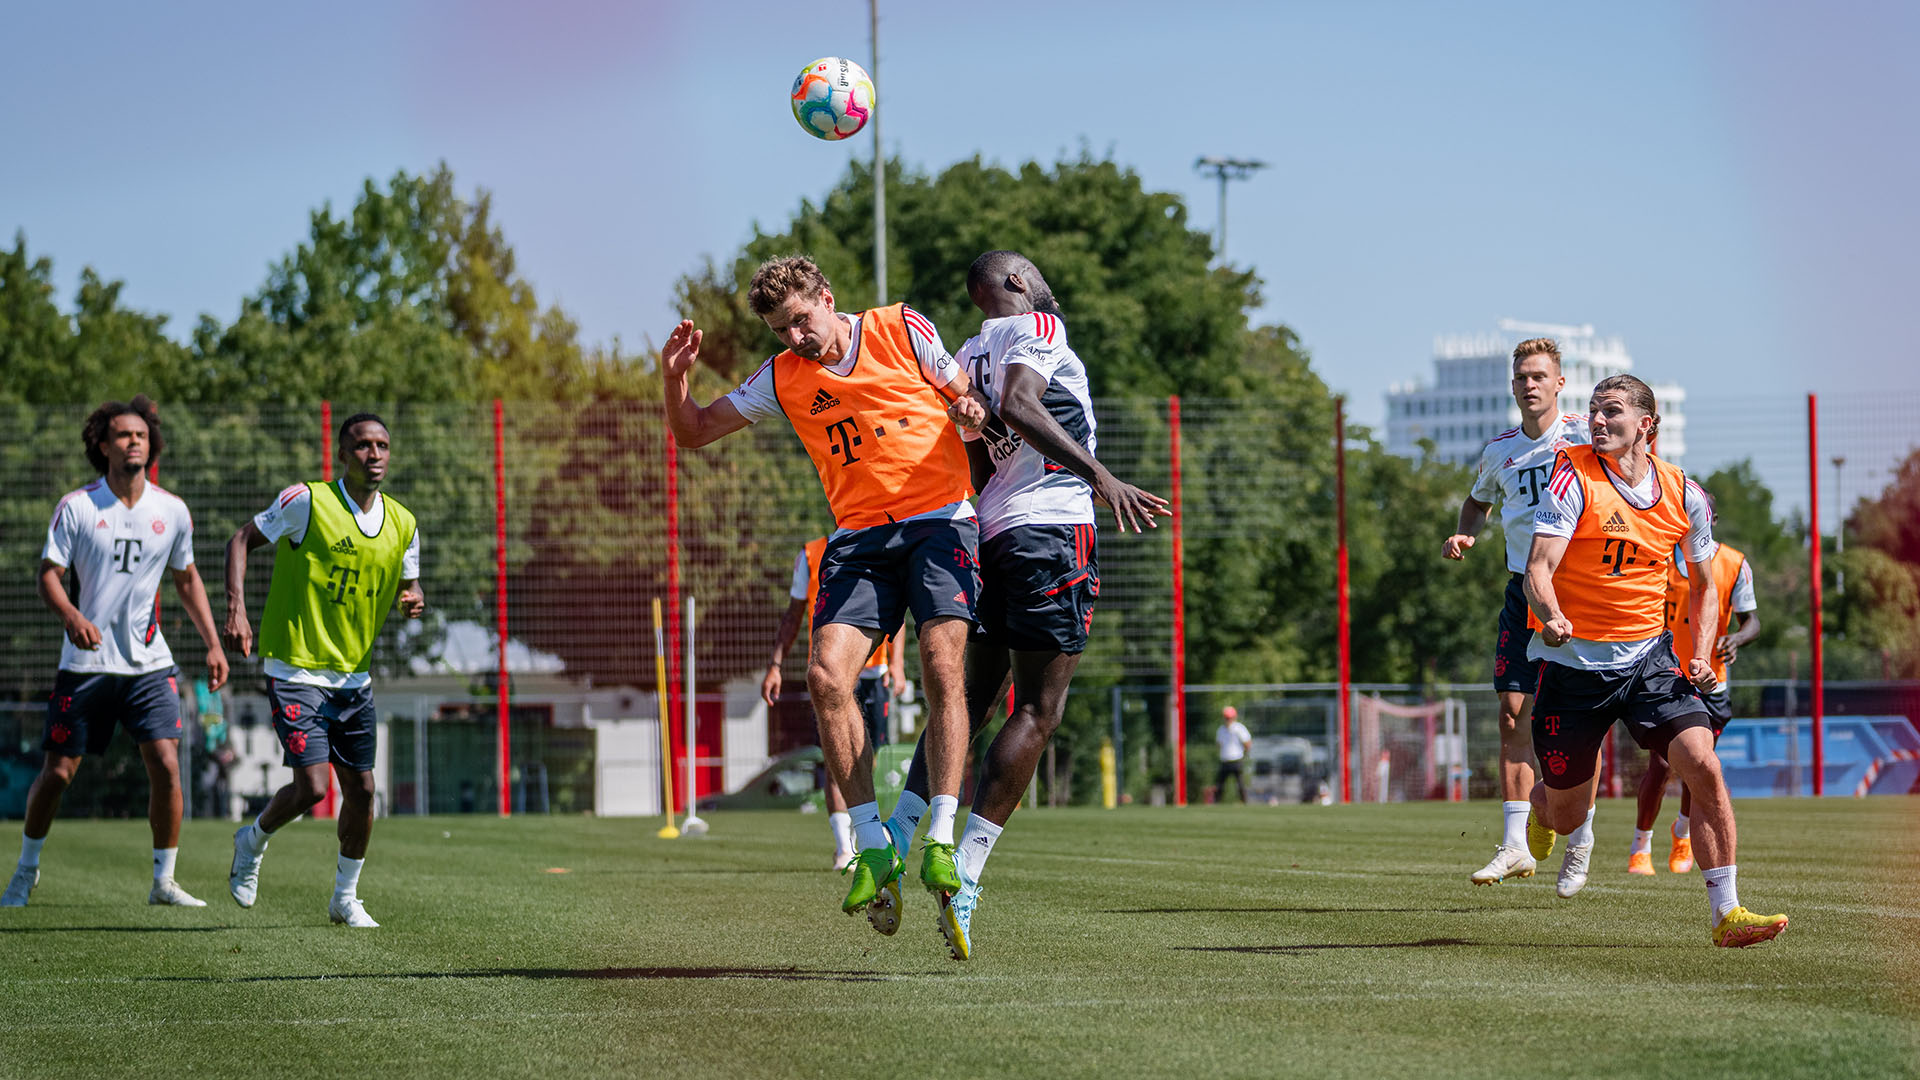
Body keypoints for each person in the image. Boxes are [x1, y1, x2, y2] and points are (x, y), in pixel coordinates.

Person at [662, 256, 978, 930]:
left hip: (940, 520)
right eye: (782, 330)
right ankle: (872, 847)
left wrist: (974, 407)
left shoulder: (902, 328)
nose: (796, 338)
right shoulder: (783, 377)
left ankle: (943, 840)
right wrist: (674, 380)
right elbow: (692, 432)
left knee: (942, 665)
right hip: (860, 538)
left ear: (827, 299)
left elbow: (967, 396)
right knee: (826, 676)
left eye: (802, 320)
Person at [920, 249, 1169, 959]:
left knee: (966, 700)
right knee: (1039, 708)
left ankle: (912, 830)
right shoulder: (1036, 325)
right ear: (1015, 284)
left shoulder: (965, 356)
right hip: (1051, 530)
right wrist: (1100, 474)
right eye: (1033, 271)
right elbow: (1025, 405)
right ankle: (963, 873)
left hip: (992, 533)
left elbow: (974, 451)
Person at [1524, 374, 1786, 946]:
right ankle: (1543, 812)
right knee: (1567, 814)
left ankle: (1727, 912)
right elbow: (1537, 569)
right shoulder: (1571, 476)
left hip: (1649, 661)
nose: (1597, 419)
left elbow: (1705, 583)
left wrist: (1700, 655)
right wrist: (1552, 614)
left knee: (1704, 764)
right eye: (1592, 409)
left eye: (1611, 410)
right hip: (1574, 667)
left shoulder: (1684, 492)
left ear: (1647, 424)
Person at [3, 396, 229, 909]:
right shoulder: (79, 506)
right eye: (124, 435)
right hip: (85, 665)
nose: (134, 441)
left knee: (167, 764)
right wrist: (72, 617)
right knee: (58, 772)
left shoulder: (171, 511)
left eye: (141, 435)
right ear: (103, 445)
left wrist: (213, 642)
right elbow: (48, 576)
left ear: (151, 446)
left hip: (149, 664)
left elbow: (188, 578)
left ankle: (164, 881)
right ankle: (26, 870)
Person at [221, 413, 425, 928]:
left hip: (354, 678)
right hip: (295, 667)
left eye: (382, 445)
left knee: (362, 792)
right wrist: (236, 609)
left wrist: (412, 597)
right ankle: (252, 841)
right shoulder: (307, 501)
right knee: (312, 787)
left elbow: (411, 582)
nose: (374, 454)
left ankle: (345, 897)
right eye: (362, 445)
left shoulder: (404, 523)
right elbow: (241, 539)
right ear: (343, 453)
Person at [1442, 337, 1595, 892]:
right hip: (1522, 593)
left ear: (1559, 383)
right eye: (1521, 377)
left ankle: (1579, 838)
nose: (1529, 385)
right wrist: (1466, 532)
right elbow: (1478, 502)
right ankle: (1513, 846)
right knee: (1512, 713)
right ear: (1512, 387)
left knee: (1581, 723)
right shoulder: (1499, 450)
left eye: (1539, 376)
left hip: (1582, 592)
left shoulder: (1585, 436)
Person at [761, 536, 906, 869]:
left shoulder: (879, 540)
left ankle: (863, 836)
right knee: (835, 756)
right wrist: (775, 666)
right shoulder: (811, 554)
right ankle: (844, 847)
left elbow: (897, 610)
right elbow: (794, 612)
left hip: (874, 670)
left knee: (866, 756)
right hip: (833, 671)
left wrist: (897, 665)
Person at [1630, 506, 1759, 875]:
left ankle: (1683, 834)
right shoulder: (1656, 556)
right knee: (1662, 763)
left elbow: (1753, 620)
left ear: (1710, 521)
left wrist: (1737, 638)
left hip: (1709, 677)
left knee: (1699, 762)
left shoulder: (1734, 563)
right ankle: (1641, 845)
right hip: (1662, 675)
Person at [1214, 706, 1253, 803]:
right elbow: (1218, 744)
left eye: (1229, 717)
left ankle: (1244, 801)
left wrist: (1244, 753)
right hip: (1225, 760)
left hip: (1237, 759)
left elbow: (1247, 743)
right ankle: (1216, 802)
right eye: (1226, 717)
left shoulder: (1239, 728)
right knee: (1220, 784)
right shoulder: (1221, 730)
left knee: (1240, 784)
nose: (1228, 720)